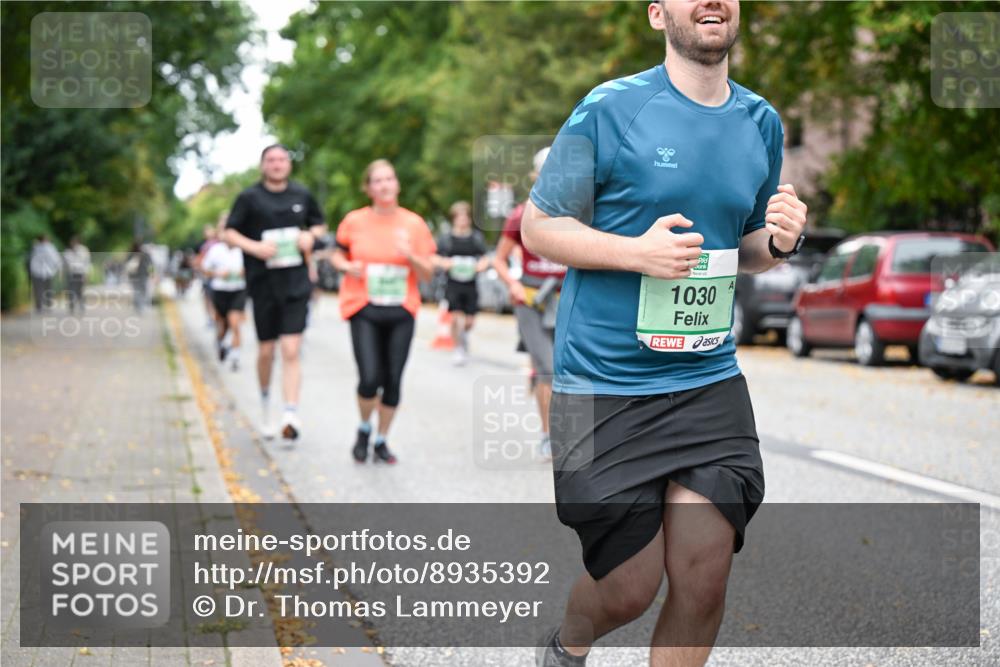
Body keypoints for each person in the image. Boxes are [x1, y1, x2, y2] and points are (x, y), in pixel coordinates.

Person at [521, 2, 809, 666]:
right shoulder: (608, 109)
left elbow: (745, 247)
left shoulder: (761, 122)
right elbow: (540, 227)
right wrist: (635, 253)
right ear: (658, 14)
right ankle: (566, 646)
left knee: (705, 573)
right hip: (602, 385)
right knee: (628, 586)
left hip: (707, 379)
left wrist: (779, 241)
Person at [331, 159, 436, 464]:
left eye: (389, 178)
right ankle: (364, 428)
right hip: (364, 305)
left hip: (401, 309)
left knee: (392, 380)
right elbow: (337, 254)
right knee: (368, 378)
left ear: (397, 184)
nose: (384, 185)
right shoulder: (354, 221)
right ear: (368, 188)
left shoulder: (414, 224)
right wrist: (345, 266)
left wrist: (410, 255)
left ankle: (381, 439)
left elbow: (428, 273)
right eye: (377, 180)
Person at [224, 144, 327, 441]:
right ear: (262, 166)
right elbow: (229, 232)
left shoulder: (302, 195)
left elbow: (319, 225)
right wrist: (254, 247)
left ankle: (290, 413)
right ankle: (266, 402)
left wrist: (310, 235)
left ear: (289, 165)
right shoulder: (249, 197)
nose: (277, 164)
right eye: (271, 160)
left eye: (282, 159)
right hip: (263, 283)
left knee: (291, 350)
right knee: (267, 351)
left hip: (295, 283)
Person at [493, 147, 566, 460]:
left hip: (566, 299)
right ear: (536, 176)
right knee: (548, 369)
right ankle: (548, 436)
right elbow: (497, 259)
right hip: (531, 300)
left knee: (566, 370)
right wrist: (512, 284)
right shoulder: (521, 214)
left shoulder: (576, 213)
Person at [433, 201, 488, 365]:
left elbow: (485, 257)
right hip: (453, 283)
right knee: (456, 317)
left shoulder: (476, 238)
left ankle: (463, 338)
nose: (463, 220)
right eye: (459, 217)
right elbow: (435, 257)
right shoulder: (446, 238)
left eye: (465, 217)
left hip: (470, 283)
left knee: (469, 321)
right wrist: (445, 263)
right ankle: (458, 347)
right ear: (454, 219)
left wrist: (481, 266)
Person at [202, 214, 247, 371]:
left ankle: (235, 356)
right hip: (220, 290)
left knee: (235, 323)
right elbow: (205, 269)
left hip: (238, 290)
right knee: (222, 325)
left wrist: (245, 272)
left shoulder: (243, 249)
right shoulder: (215, 250)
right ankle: (221, 342)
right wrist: (218, 273)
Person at [195, 224, 220, 328]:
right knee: (207, 298)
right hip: (207, 276)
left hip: (217, 276)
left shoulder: (218, 244)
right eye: (206, 231)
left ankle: (215, 318)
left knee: (214, 299)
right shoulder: (203, 245)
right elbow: (199, 260)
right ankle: (210, 318)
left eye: (209, 230)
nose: (208, 233)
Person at [29, 234, 61, 313]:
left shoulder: (35, 248)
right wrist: (57, 269)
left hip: (37, 272)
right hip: (47, 272)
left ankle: (39, 306)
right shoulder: (50, 248)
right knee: (48, 289)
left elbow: (32, 261)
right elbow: (56, 259)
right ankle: (48, 305)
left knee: (38, 290)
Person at [62, 236, 91, 314]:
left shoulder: (84, 250)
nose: (73, 244)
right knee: (71, 290)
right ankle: (71, 306)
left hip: (80, 273)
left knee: (80, 291)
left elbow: (87, 263)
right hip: (71, 274)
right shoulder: (67, 252)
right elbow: (65, 264)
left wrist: (86, 274)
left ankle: (82, 306)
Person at [125, 241, 153, 312]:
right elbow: (151, 264)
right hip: (143, 275)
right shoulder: (145, 254)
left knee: (136, 290)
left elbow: (127, 265)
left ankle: (138, 305)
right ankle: (141, 305)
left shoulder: (130, 254)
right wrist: (152, 273)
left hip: (133, 275)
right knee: (143, 290)